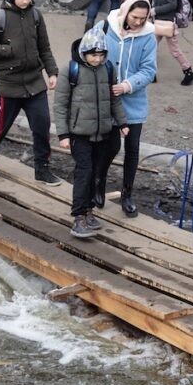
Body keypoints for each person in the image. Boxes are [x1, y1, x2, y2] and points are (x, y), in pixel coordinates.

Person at [0, 0, 62, 185]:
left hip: (34, 83)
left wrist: (52, 72)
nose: (25, 1)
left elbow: (44, 47)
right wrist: (8, 49)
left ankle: (42, 168)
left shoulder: (36, 16)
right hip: (8, 85)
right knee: (0, 128)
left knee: (42, 127)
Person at [54, 28, 129, 239]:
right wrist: (63, 135)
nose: (97, 59)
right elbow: (60, 105)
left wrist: (122, 122)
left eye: (101, 55)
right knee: (84, 172)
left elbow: (113, 99)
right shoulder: (70, 70)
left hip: (102, 132)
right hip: (79, 133)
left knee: (96, 172)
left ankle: (88, 211)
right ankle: (78, 217)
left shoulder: (108, 69)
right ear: (84, 52)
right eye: (93, 55)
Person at [94, 0, 158, 217]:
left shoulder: (148, 36)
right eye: (135, 17)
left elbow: (149, 69)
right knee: (109, 146)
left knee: (132, 149)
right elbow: (86, 51)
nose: (139, 22)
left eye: (143, 18)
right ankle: (98, 183)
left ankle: (127, 194)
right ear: (126, 11)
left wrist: (127, 85)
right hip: (108, 100)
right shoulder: (105, 27)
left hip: (133, 101)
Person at [149, 0, 193, 85]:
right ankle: (151, 73)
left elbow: (172, 4)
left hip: (167, 22)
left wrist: (155, 10)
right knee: (150, 48)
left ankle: (188, 71)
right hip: (159, 22)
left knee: (174, 50)